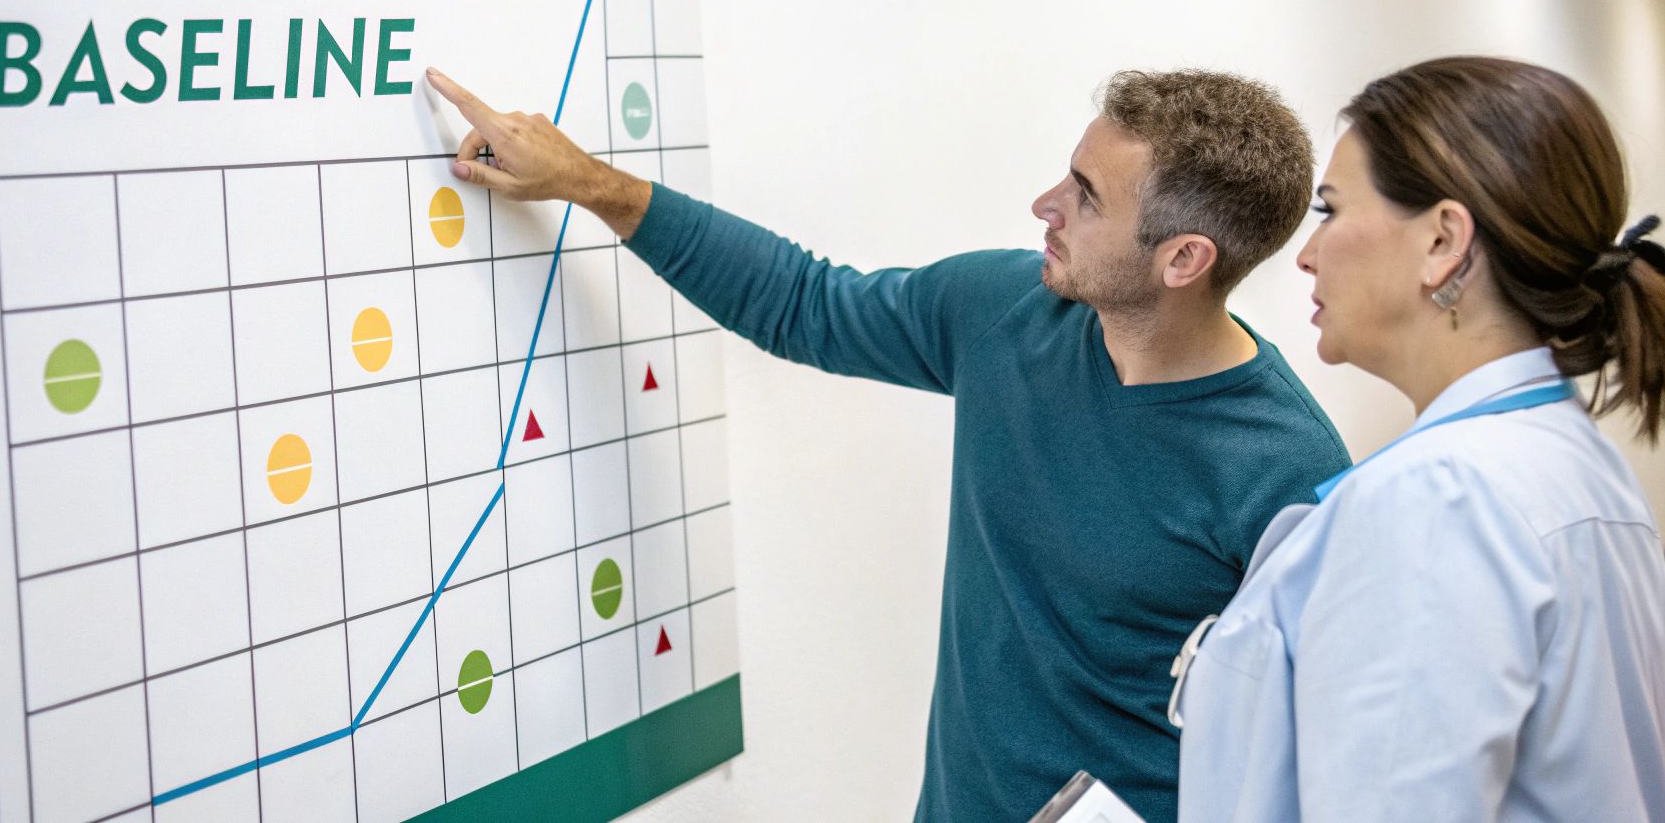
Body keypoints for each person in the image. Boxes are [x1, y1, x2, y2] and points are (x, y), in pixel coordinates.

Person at [424, 66, 1351, 822]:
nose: (1044, 205)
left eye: (1085, 196)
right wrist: (591, 184)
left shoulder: (1287, 472)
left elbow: (1325, 758)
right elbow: (804, 304)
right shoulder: (1007, 314)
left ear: (1183, 259)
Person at [1172, 56, 1665, 823]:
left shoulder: (1434, 501)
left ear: (1442, 242)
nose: (1306, 254)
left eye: (1329, 211)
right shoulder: (1563, 457)